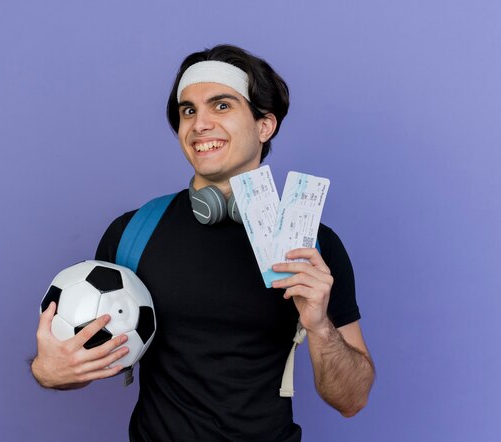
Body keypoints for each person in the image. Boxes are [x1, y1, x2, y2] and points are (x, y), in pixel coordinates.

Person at [31, 44, 375, 441]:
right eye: (188, 110)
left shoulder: (313, 247)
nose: (199, 124)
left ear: (265, 125)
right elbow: (82, 361)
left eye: (222, 106)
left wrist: (319, 326)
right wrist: (48, 371)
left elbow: (352, 399)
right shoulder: (132, 233)